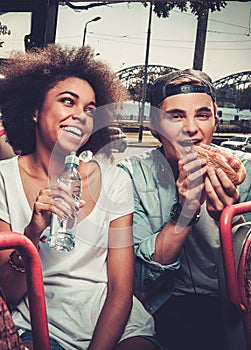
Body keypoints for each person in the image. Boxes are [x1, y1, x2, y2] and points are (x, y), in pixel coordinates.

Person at [0, 44, 160, 350]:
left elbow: (120, 289)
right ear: (34, 110)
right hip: (36, 321)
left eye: (90, 110)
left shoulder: (114, 180)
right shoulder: (2, 179)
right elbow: (8, 293)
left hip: (112, 321)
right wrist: (32, 233)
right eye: (67, 102)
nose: (81, 116)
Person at [119, 68, 251, 350]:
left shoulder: (245, 171)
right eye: (176, 116)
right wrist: (185, 209)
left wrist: (233, 222)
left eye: (202, 115)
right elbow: (138, 281)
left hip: (238, 301)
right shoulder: (130, 175)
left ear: (215, 120)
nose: (191, 128)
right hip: (168, 303)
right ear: (154, 125)